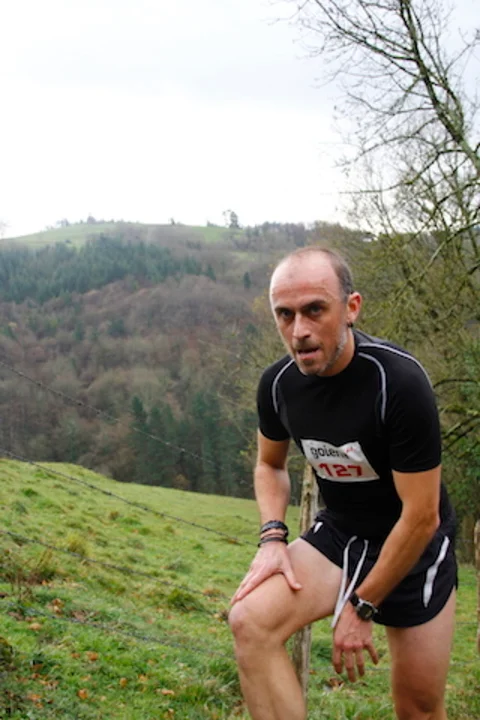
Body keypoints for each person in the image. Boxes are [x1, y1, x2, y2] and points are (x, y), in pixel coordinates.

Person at [229, 247, 457, 720]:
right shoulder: (278, 385)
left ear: (351, 308)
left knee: (417, 707)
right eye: (285, 315)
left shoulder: (398, 382)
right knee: (249, 621)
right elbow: (269, 465)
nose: (299, 331)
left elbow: (422, 516)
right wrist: (272, 536)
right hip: (341, 534)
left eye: (315, 310)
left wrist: (361, 605)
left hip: (413, 545)